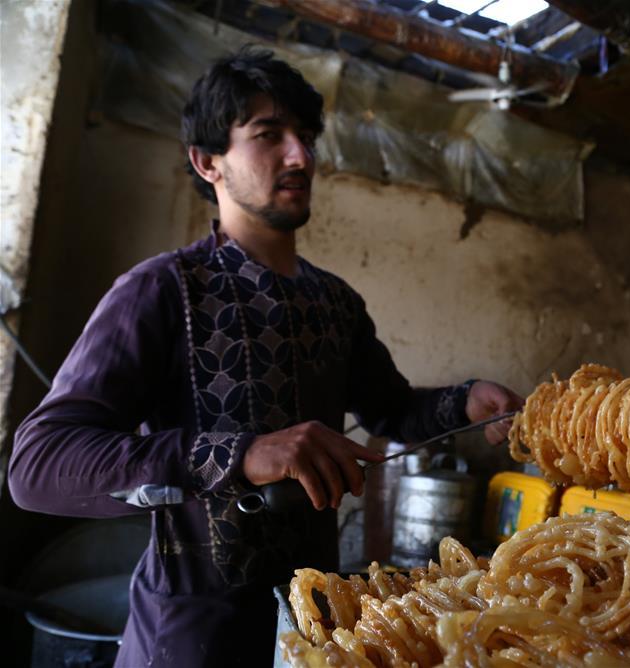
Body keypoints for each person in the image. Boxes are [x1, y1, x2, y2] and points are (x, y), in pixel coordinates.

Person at [9, 47, 522, 667]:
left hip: (316, 634)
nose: (301, 156)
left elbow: (393, 412)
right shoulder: (163, 290)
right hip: (186, 640)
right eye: (268, 135)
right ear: (208, 163)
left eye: (305, 137)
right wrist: (243, 453)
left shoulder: (335, 302)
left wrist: (465, 400)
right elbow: (38, 464)